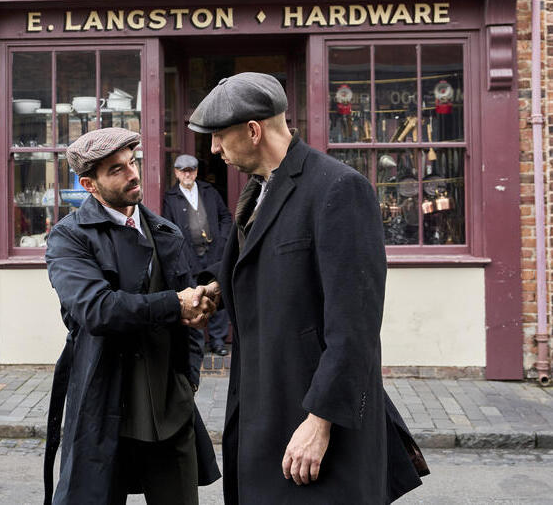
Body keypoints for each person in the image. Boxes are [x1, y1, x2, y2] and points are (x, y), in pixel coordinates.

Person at [188, 73, 428, 504]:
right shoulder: (259, 191)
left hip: (316, 421)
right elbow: (276, 272)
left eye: (219, 136)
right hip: (264, 408)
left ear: (253, 130)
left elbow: (355, 325)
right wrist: (218, 291)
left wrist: (320, 420)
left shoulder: (338, 188)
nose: (213, 149)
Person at [43, 127, 220, 505]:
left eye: (132, 161)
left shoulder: (166, 232)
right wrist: (174, 302)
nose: (132, 173)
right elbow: (97, 309)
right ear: (89, 185)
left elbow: (190, 323)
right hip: (103, 401)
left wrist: (187, 381)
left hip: (168, 405)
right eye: (116, 169)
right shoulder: (69, 238)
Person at [163, 154, 233, 356]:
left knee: (216, 295)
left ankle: (218, 341)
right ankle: (198, 343)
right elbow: (168, 229)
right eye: (183, 171)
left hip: (213, 253)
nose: (188, 174)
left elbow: (225, 217)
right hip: (188, 257)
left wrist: (222, 241)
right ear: (176, 173)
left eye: (191, 170)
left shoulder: (209, 191)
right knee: (194, 299)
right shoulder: (171, 198)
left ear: (196, 172)